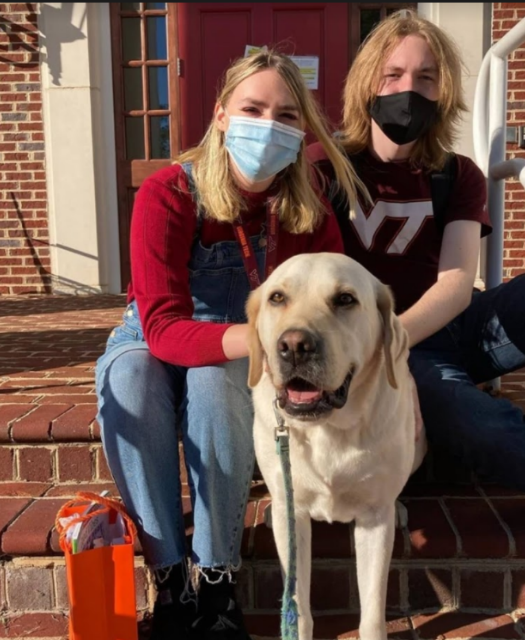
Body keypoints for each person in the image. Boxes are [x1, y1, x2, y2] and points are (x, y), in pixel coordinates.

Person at [95, 50, 364, 640]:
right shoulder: (167, 192)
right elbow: (163, 326)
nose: (269, 125)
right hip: (158, 333)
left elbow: (333, 304)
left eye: (288, 115)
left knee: (217, 382)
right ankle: (170, 578)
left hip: (240, 343)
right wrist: (264, 336)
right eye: (253, 108)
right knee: (131, 382)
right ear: (220, 115)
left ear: (302, 132)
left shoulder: (308, 207)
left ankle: (216, 579)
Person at [309, 10, 525, 512]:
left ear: (443, 93)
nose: (410, 90)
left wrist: (385, 340)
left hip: (460, 325)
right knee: (476, 422)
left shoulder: (455, 173)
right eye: (393, 75)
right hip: (395, 351)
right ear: (365, 83)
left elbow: (457, 284)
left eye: (426, 78)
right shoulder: (323, 169)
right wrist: (376, 349)